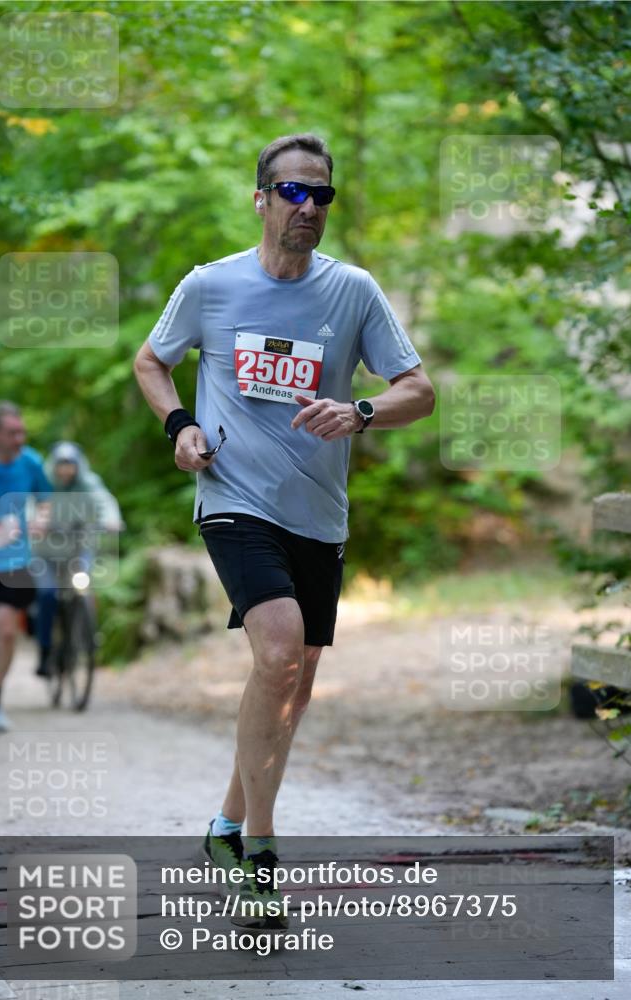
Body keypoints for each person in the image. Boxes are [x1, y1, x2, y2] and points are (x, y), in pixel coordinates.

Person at [133, 133, 435, 926]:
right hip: (233, 495)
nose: (308, 207)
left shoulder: (353, 293)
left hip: (318, 511)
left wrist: (361, 409)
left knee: (293, 679)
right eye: (292, 192)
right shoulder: (211, 286)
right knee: (275, 650)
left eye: (321, 195)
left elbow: (419, 390)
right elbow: (150, 361)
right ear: (260, 198)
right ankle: (261, 847)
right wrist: (179, 427)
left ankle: (227, 825)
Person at [0, 401, 52, 731]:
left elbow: (45, 498)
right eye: (12, 432)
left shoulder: (31, 462)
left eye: (22, 431)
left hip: (17, 560)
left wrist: (41, 519)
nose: (20, 438)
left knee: (5, 631)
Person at [33, 442, 123, 677]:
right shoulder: (43, 481)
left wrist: (111, 520)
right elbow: (29, 505)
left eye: (69, 465)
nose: (65, 471)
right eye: (61, 465)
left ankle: (87, 632)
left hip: (78, 547)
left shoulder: (88, 482)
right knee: (47, 594)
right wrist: (36, 522)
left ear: (77, 466)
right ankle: (44, 650)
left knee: (84, 585)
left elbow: (104, 501)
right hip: (47, 552)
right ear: (54, 465)